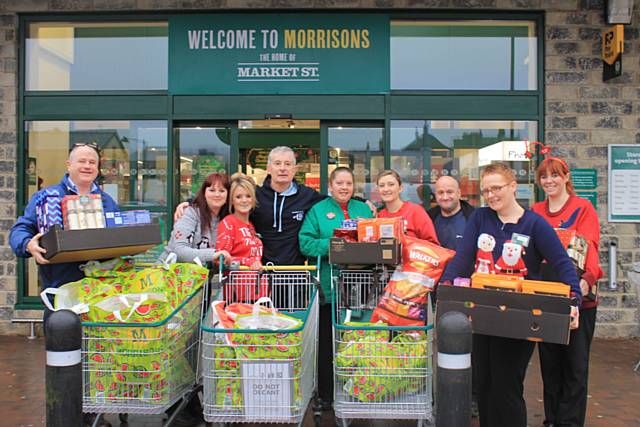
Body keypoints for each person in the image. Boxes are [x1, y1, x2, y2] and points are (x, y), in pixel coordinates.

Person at [440, 162, 581, 427]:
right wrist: (446, 287)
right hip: (483, 311)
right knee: (484, 382)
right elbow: (463, 258)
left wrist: (573, 300)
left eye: (496, 188)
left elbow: (564, 265)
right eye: (486, 190)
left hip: (520, 314)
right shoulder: (480, 218)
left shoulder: (535, 224)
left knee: (506, 385)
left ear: (513, 186)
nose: (491, 195)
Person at [9, 143, 118, 323]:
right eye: (81, 161)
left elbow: (119, 236)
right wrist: (28, 244)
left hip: (100, 293)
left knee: (98, 348)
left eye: (92, 162)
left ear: (97, 169)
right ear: (69, 165)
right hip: (60, 292)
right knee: (61, 346)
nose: (87, 166)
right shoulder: (47, 197)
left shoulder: (107, 201)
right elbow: (20, 229)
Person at [532, 157, 603, 427]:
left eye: (554, 176)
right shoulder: (537, 211)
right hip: (546, 298)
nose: (549, 181)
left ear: (566, 177)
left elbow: (590, 246)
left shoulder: (583, 208)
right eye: (544, 177)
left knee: (574, 367)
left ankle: (569, 422)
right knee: (550, 366)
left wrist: (586, 280)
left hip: (578, 299)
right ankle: (551, 420)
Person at [298, 167, 374, 409]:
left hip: (362, 287)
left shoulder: (364, 209)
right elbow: (306, 243)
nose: (344, 187)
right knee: (328, 343)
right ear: (330, 186)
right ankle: (328, 395)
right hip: (330, 288)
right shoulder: (318, 210)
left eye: (348, 183)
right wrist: (335, 245)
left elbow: (378, 239)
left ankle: (360, 391)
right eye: (339, 183)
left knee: (358, 340)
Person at [159, 173, 231, 266]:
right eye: (212, 190)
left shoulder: (228, 219)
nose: (217, 194)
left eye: (222, 191)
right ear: (204, 193)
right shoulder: (189, 213)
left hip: (199, 276)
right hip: (169, 274)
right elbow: (179, 250)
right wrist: (213, 254)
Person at [376, 169, 439, 244]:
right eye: (382, 185)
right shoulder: (380, 216)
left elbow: (433, 244)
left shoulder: (415, 211)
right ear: (378, 190)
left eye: (391, 184)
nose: (386, 189)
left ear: (400, 188)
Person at [216, 173, 263, 270]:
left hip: (256, 282)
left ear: (253, 199)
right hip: (236, 283)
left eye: (248, 196)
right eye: (238, 197)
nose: (244, 200)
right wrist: (248, 262)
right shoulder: (228, 224)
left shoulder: (251, 225)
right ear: (232, 201)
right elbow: (221, 259)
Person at [427, 175, 475, 251]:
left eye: (449, 192)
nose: (445, 197)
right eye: (440, 192)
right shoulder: (428, 218)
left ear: (459, 193)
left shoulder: (475, 218)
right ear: (435, 195)